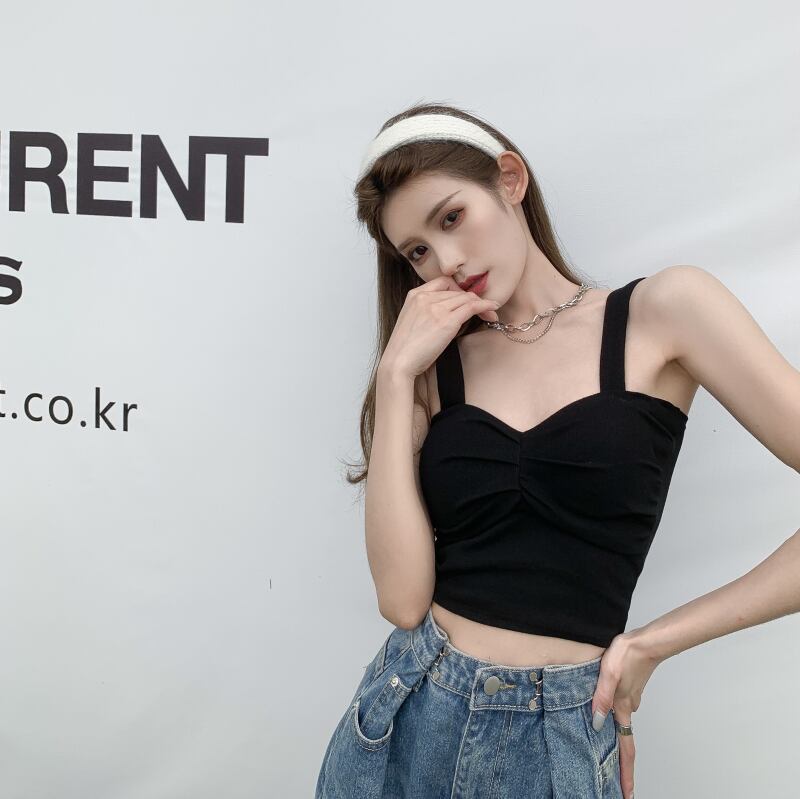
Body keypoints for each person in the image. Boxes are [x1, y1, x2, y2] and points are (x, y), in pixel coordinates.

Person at [315, 102, 800, 799]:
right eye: (416, 252)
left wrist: (654, 642)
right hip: (407, 715)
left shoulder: (663, 312)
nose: (445, 262)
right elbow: (401, 599)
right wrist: (394, 376)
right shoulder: (430, 370)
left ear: (510, 180)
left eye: (451, 218)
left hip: (558, 735)